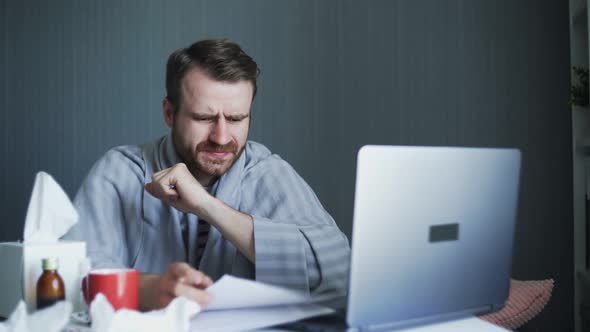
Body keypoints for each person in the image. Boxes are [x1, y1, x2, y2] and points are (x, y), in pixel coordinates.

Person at [63, 38, 350, 310]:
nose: (222, 137)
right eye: (204, 118)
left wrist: (206, 205)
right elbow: (73, 276)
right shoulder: (119, 172)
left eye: (237, 118)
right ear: (169, 113)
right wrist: (153, 290)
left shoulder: (269, 172)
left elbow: (339, 272)